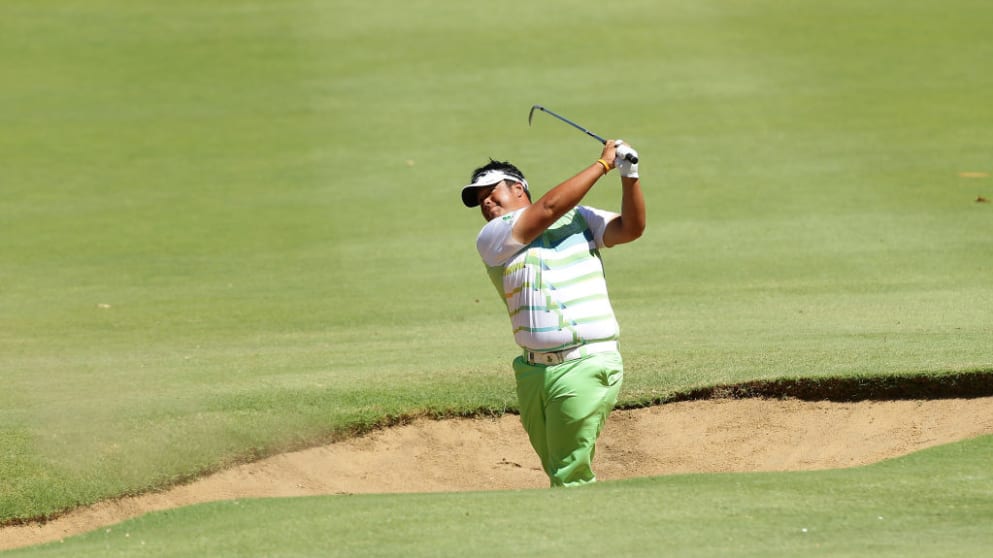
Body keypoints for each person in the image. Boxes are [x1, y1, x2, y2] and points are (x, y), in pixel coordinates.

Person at [460, 139, 646, 486]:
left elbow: (631, 228)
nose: (484, 201)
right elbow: (546, 210)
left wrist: (628, 175)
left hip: (586, 363)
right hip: (532, 373)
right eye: (478, 199)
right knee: (558, 469)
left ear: (518, 188)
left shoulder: (581, 218)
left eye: (491, 190)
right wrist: (602, 165)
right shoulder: (492, 237)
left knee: (569, 473)